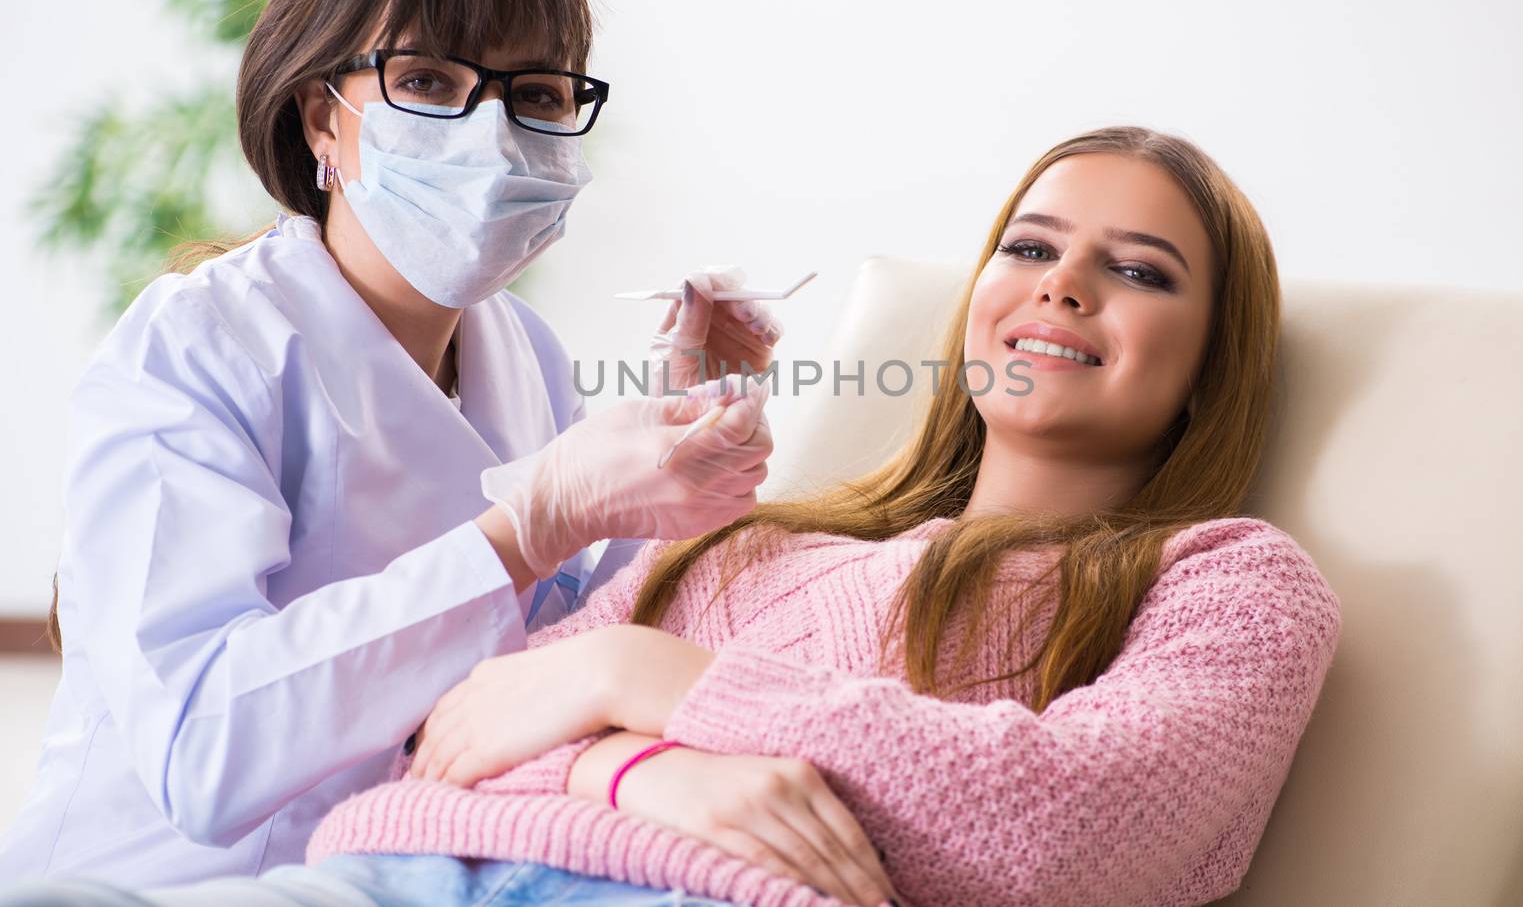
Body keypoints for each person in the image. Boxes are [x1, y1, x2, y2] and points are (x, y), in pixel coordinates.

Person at [6, 126, 1343, 907]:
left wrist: (634, 677)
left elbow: (1070, 823)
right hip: (397, 873)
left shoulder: (1233, 581)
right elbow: (453, 735)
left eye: (1139, 271)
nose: (1062, 290)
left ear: (1215, 354)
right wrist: (633, 760)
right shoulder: (763, 541)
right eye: (1033, 248)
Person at [0, 0, 780, 890]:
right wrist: (522, 530)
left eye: (536, 94)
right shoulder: (198, 343)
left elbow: (568, 661)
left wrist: (677, 447)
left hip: (393, 871)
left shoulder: (526, 358)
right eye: (426, 83)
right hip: (158, 882)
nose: (490, 134)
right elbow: (204, 750)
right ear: (322, 117)